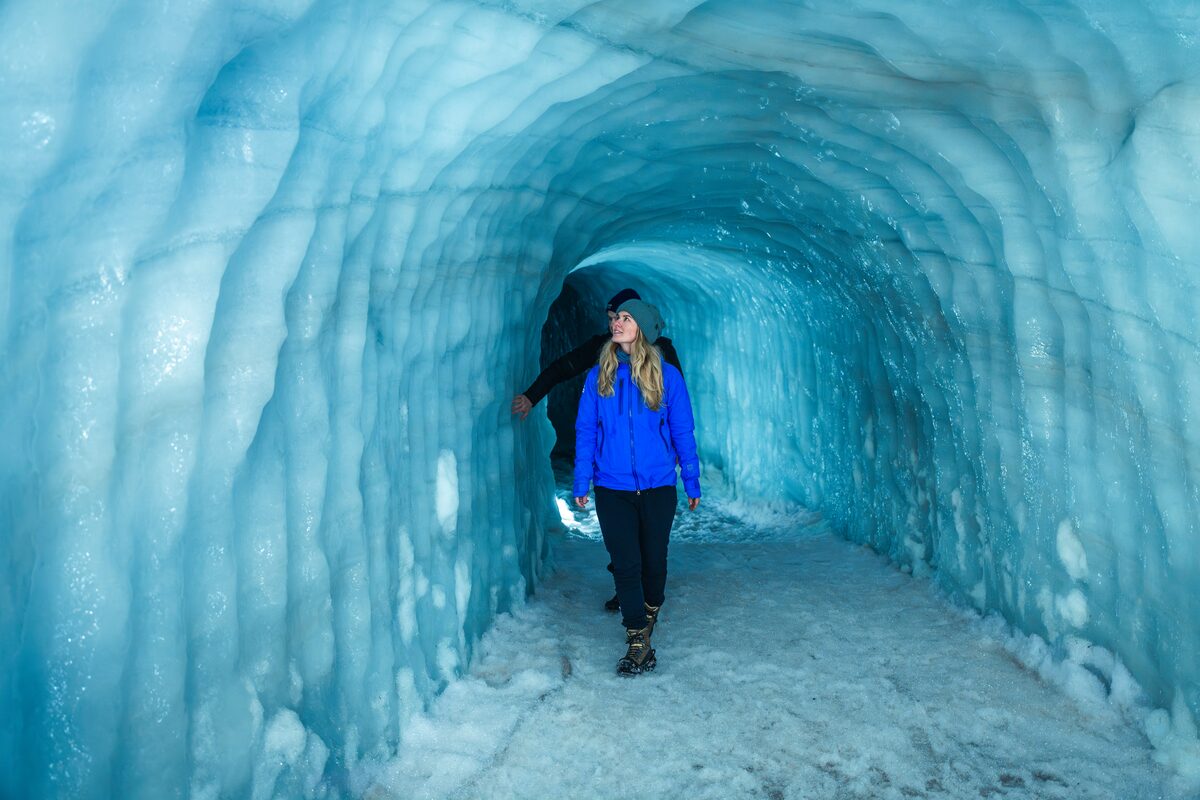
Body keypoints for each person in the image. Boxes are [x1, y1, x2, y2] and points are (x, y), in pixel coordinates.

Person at [513, 288, 685, 612]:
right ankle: (629, 592)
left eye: (618, 318)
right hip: (614, 472)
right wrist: (532, 396)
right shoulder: (602, 349)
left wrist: (674, 451)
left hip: (652, 473)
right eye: (609, 319)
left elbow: (677, 403)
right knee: (623, 543)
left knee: (649, 547)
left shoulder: (662, 354)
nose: (612, 326)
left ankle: (643, 600)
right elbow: (563, 367)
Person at [572, 299, 701, 676]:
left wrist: (690, 479)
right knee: (626, 564)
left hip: (659, 485)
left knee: (653, 563)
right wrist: (583, 479)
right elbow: (585, 432)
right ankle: (637, 640)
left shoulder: (667, 377)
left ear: (641, 328)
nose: (617, 323)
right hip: (612, 487)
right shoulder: (600, 376)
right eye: (617, 318)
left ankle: (649, 610)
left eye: (626, 319)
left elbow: (682, 431)